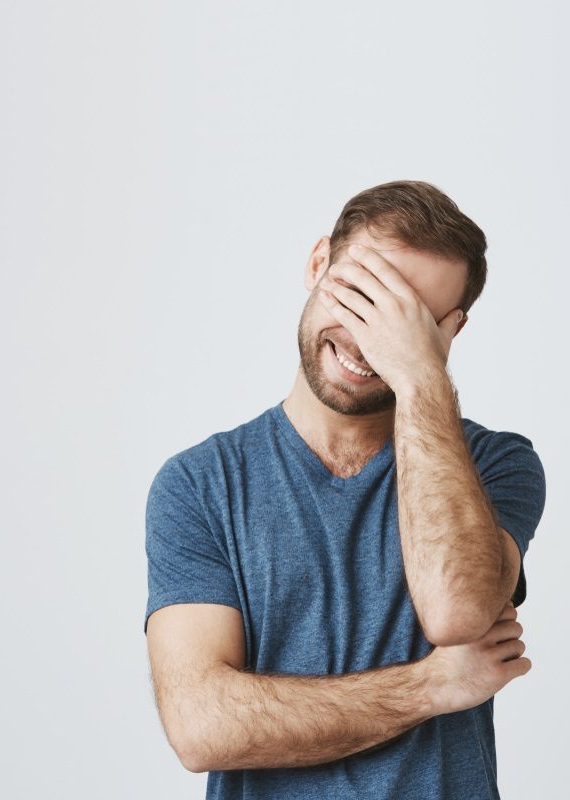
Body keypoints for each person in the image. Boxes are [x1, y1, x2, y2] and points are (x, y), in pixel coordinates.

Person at [143, 180, 546, 799]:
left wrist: (419, 375)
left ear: (450, 331)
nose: (367, 339)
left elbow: (456, 612)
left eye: (407, 321)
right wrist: (431, 687)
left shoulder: (496, 464)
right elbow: (202, 726)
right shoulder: (200, 483)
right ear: (317, 263)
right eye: (360, 295)